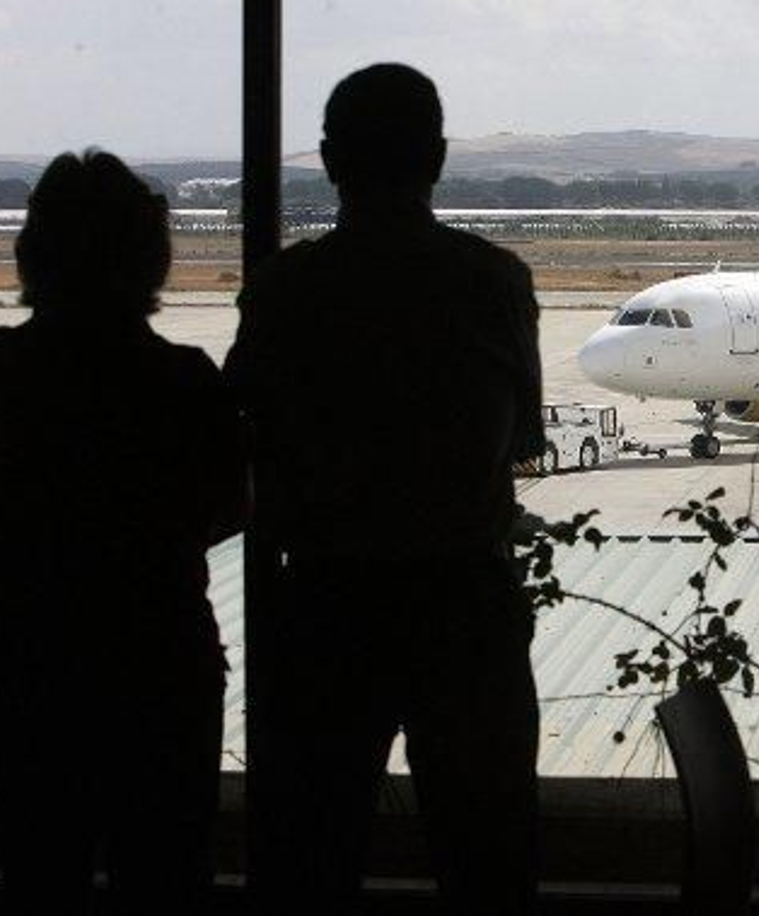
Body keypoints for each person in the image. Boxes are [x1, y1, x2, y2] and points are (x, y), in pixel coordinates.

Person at [224, 63, 544, 914]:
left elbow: (235, 440)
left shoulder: (288, 289)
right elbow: (524, 442)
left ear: (329, 160)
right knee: (487, 859)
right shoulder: (494, 282)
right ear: (437, 157)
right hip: (462, 603)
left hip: (328, 602)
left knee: (307, 856)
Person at [0, 151, 241, 914]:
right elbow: (229, 503)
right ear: (151, 257)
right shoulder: (185, 378)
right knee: (165, 873)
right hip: (157, 659)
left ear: (33, 252)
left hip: (27, 661)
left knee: (37, 870)